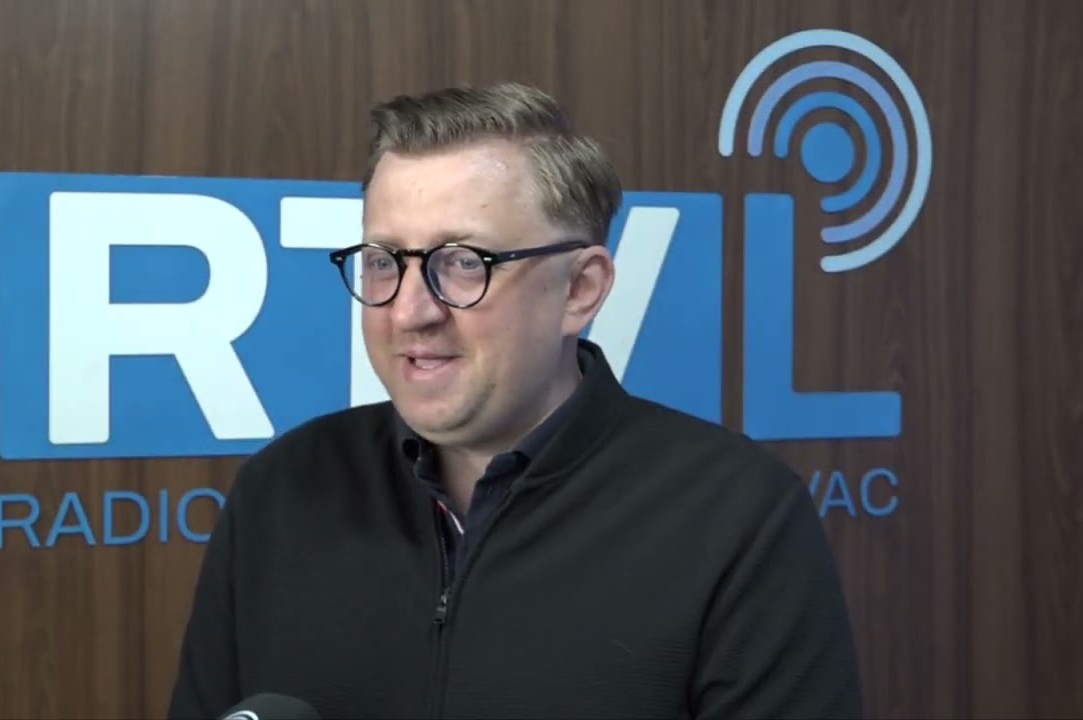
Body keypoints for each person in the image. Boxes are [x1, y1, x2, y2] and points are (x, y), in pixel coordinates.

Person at [167, 81, 863, 720]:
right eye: (384, 261)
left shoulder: (738, 519)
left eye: (463, 262)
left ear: (580, 290)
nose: (409, 311)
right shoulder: (284, 490)